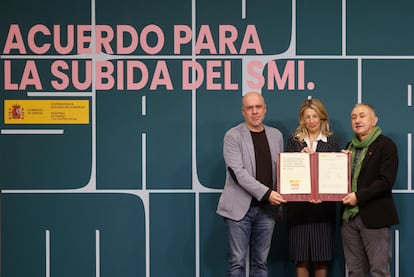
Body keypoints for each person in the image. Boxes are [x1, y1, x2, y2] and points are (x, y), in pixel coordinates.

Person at [216, 91, 287, 277]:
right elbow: (238, 173)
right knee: (237, 264)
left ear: (265, 109)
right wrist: (268, 193)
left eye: (258, 107)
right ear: (243, 111)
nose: (254, 111)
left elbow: (283, 170)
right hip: (239, 210)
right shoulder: (232, 136)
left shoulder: (276, 136)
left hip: (267, 211)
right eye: (250, 108)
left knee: (261, 264)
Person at [341, 103, 399, 277]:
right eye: (353, 117)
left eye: (362, 116)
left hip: (375, 218)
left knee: (379, 271)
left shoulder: (386, 145)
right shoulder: (348, 148)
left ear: (374, 120)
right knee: (355, 272)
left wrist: (358, 197)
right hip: (349, 219)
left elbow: (385, 181)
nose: (357, 120)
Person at [285, 98, 339, 277]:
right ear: (302, 119)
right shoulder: (294, 141)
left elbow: (334, 176)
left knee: (321, 259)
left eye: (315, 116)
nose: (311, 120)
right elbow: (288, 173)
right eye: (307, 116)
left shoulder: (332, 142)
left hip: (323, 209)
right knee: (300, 259)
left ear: (322, 117)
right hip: (298, 209)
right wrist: (300, 157)